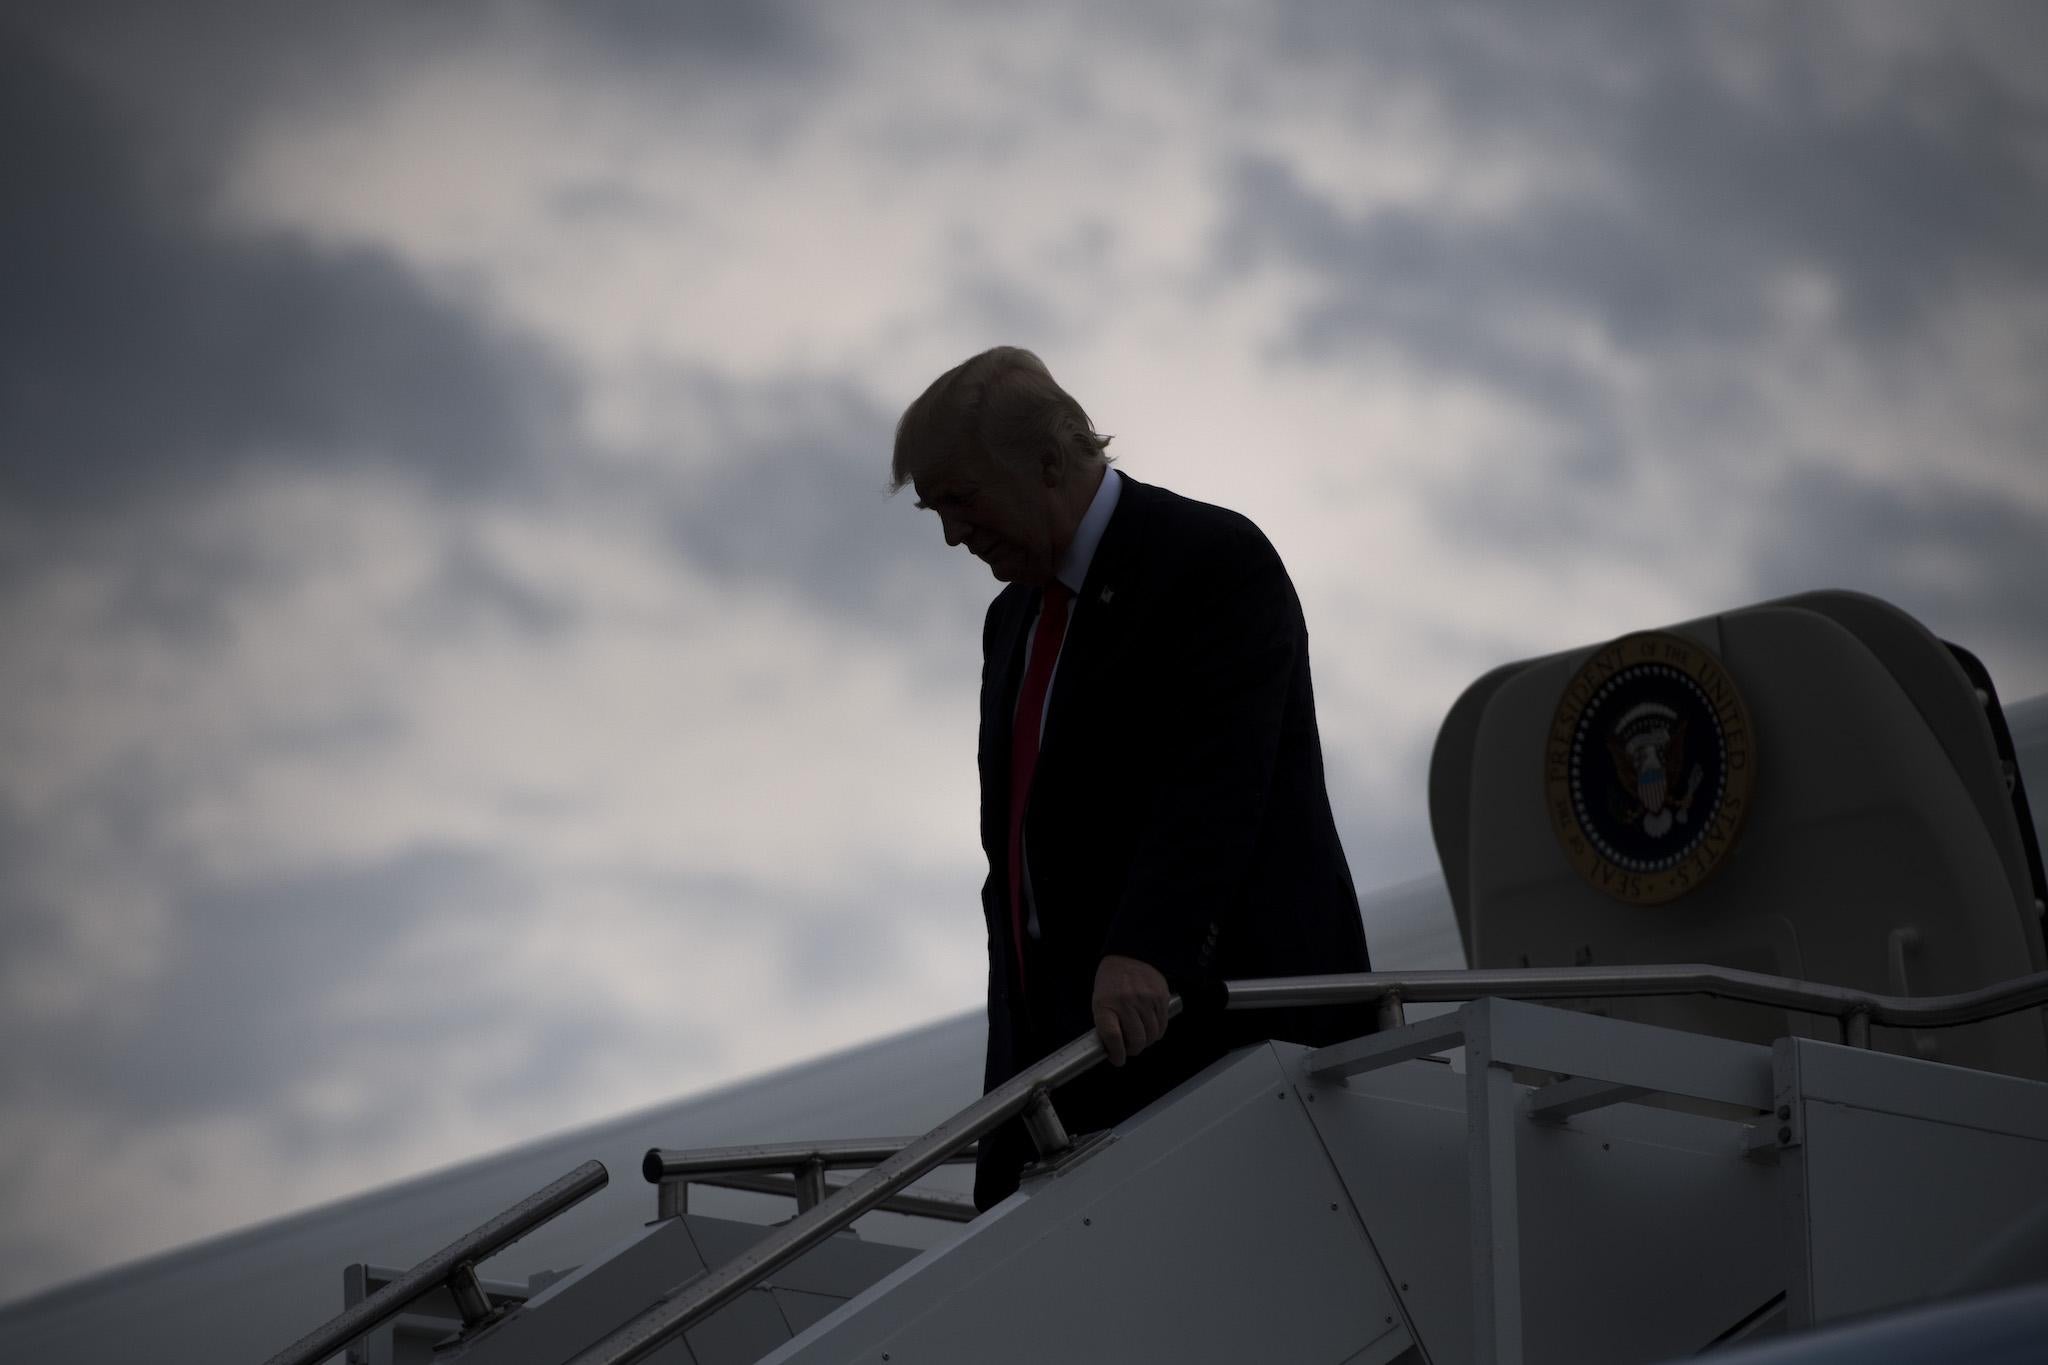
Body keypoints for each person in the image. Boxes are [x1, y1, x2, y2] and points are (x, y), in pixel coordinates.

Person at [892, 347, 1373, 1208]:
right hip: (1074, 1083)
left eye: (961, 500)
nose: (953, 535)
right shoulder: (1012, 622)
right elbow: (1018, 880)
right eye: (935, 511)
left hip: (1222, 1057)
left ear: (1048, 461)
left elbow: (1220, 781)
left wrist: (1148, 947)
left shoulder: (1210, 559)